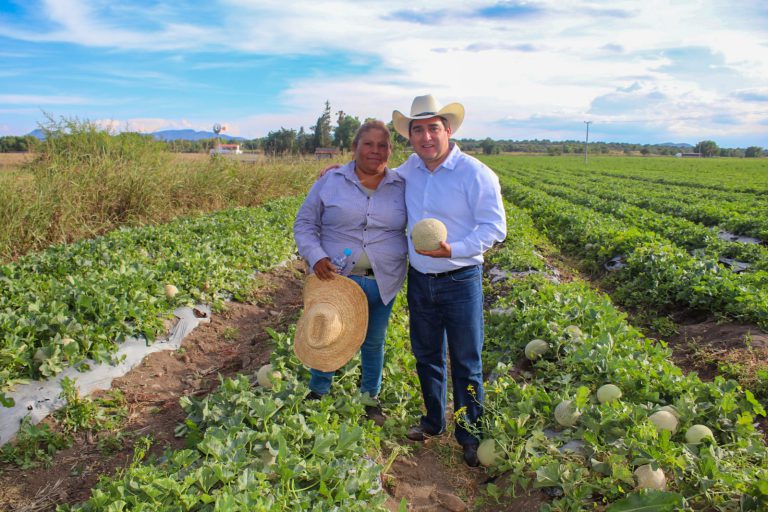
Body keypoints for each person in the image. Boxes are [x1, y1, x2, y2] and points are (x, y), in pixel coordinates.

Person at [392, 94, 506, 467]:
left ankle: (470, 433)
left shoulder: (475, 173)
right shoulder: (408, 169)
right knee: (426, 356)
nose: (426, 137)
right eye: (418, 130)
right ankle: (433, 420)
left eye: (433, 129)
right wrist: (335, 172)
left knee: (466, 360)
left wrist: (454, 249)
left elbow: (495, 227)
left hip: (460, 279)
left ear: (449, 130)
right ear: (410, 136)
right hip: (421, 279)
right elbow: (373, 177)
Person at [293, 120, 407, 424]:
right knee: (328, 330)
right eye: (367, 144)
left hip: (383, 280)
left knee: (374, 340)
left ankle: (370, 396)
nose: (374, 150)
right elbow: (304, 224)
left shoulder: (401, 185)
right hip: (337, 279)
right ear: (355, 147)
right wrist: (316, 256)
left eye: (382, 145)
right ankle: (319, 390)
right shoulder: (330, 181)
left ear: (390, 151)